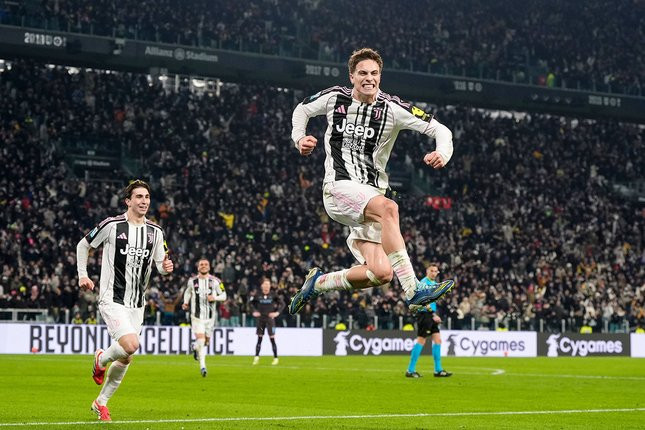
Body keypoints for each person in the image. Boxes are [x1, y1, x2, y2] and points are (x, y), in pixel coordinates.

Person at [288, 47, 455, 315]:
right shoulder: (335, 98)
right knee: (390, 208)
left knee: (381, 273)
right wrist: (299, 138)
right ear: (352, 76)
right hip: (339, 187)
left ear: (380, 76)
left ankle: (318, 283)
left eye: (374, 73)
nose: (369, 78)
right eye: (363, 73)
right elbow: (302, 109)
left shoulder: (392, 108)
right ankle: (413, 289)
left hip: (369, 196)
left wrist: (442, 153)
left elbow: (440, 129)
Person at [76, 179, 174, 421]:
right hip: (112, 298)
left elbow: (160, 265)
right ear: (128, 201)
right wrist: (82, 275)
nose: (144, 201)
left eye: (147, 197)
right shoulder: (112, 225)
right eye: (139, 197)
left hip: (137, 303)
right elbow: (83, 245)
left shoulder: (155, 232)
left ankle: (101, 403)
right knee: (130, 345)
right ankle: (101, 359)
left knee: (127, 356)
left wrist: (165, 268)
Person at [182, 258, 227, 377]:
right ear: (198, 267)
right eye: (201, 264)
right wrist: (186, 302)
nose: (203, 266)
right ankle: (203, 367)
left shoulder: (216, 281)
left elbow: (224, 295)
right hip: (196, 317)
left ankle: (194, 347)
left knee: (206, 342)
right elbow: (187, 292)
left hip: (210, 318)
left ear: (209, 267)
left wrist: (215, 298)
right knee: (201, 341)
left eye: (206, 264)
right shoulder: (192, 281)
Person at [406, 263, 452, 378]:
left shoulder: (434, 284)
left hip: (431, 315)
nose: (434, 273)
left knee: (438, 340)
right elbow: (422, 301)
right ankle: (410, 370)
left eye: (436, 271)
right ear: (427, 271)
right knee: (421, 340)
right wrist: (433, 314)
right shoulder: (423, 283)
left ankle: (438, 370)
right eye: (432, 271)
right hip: (425, 315)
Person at [250, 278, 284, 365]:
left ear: (270, 286)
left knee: (272, 338)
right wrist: (254, 311)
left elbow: (283, 304)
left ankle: (275, 358)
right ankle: (256, 357)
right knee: (259, 338)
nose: (266, 286)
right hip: (261, 319)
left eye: (268, 284)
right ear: (262, 286)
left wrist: (277, 313)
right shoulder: (258, 295)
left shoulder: (273, 294)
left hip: (270, 319)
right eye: (265, 284)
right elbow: (250, 303)